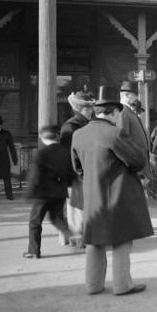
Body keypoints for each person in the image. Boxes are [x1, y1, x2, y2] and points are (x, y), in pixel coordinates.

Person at [71, 86, 154, 296]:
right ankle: (122, 285)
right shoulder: (115, 133)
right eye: (119, 114)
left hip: (92, 195)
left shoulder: (78, 135)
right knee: (122, 239)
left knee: (94, 241)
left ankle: (93, 285)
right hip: (118, 194)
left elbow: (78, 168)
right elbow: (137, 161)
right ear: (115, 112)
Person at [23, 125, 76, 258]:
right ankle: (73, 235)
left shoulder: (41, 153)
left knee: (35, 222)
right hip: (60, 192)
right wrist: (66, 185)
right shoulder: (65, 152)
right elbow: (71, 174)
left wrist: (30, 193)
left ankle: (34, 251)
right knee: (57, 218)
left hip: (43, 194)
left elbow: (35, 176)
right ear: (57, 137)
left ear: (42, 137)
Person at [60, 91, 94, 246]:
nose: (90, 111)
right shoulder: (70, 127)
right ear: (79, 109)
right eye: (87, 108)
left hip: (86, 171)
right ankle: (77, 239)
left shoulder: (88, 124)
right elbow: (66, 154)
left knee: (83, 207)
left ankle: (83, 237)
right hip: (74, 173)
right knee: (76, 208)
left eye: (90, 108)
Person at [117, 81, 150, 179]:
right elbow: (124, 144)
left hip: (139, 168)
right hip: (135, 171)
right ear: (126, 95)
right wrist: (138, 171)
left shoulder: (128, 112)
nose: (137, 98)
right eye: (135, 95)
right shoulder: (123, 113)